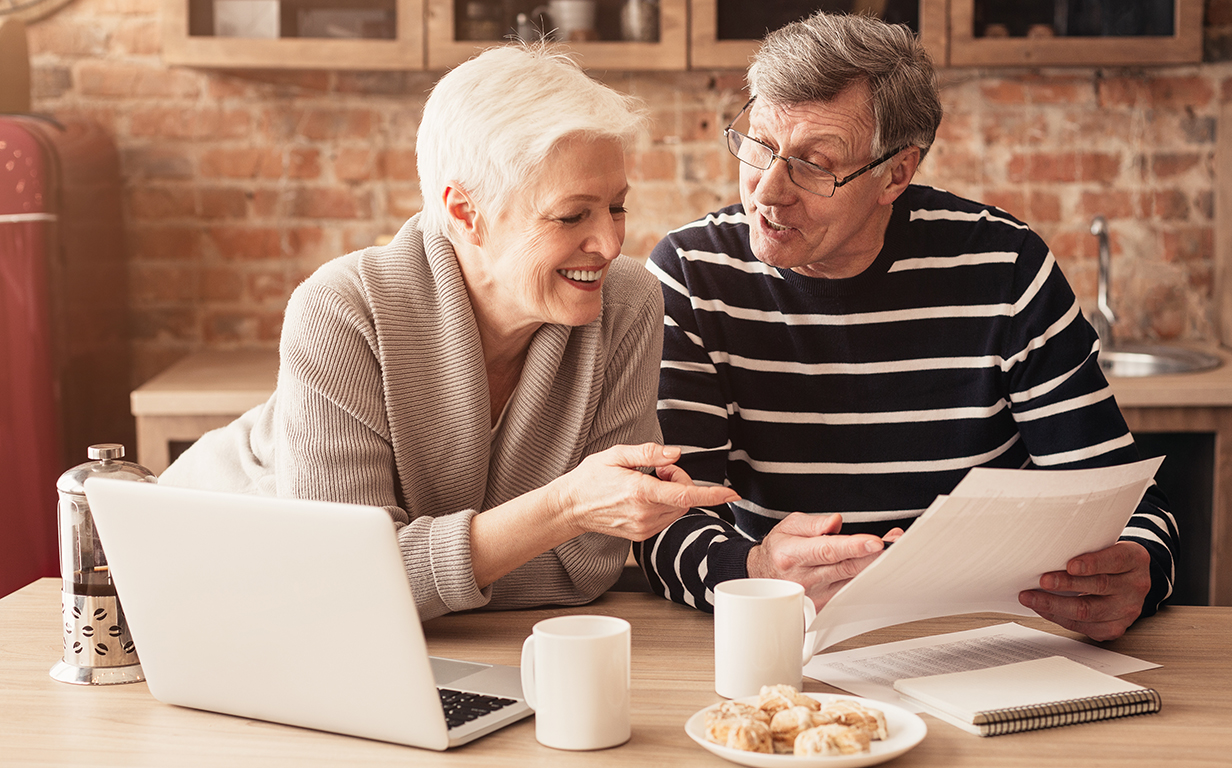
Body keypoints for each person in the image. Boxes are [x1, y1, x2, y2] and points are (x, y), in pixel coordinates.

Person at [635, 12, 1178, 642]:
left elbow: (1120, 499)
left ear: (895, 173)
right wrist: (755, 571)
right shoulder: (692, 273)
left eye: (814, 164)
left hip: (984, 635)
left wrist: (1139, 567)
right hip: (789, 633)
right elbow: (661, 520)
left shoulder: (1005, 267)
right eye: (759, 145)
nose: (768, 191)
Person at [160, 44, 737, 621]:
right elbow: (342, 585)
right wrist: (563, 510)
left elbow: (585, 569)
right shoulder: (342, 309)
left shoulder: (627, 303)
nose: (609, 244)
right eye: (571, 215)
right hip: (196, 580)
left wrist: (407, 568)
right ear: (465, 213)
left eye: (616, 207)